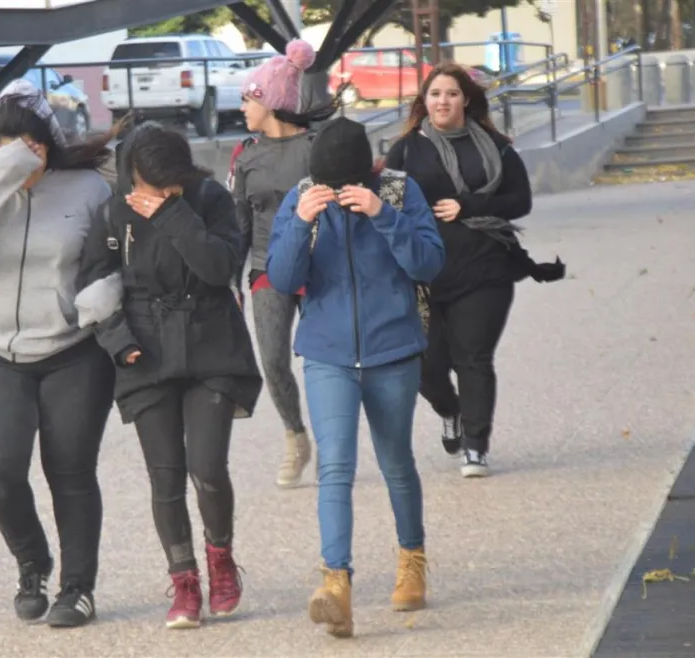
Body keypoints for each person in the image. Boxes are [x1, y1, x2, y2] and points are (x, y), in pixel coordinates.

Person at [0, 79, 125, 628]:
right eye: (7, 142)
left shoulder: (88, 187)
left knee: (70, 470)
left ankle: (78, 588)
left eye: (32, 142)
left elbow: (111, 263)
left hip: (73, 351)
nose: (23, 152)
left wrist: (99, 303)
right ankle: (32, 561)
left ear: (50, 140)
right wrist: (2, 174)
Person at [267, 117, 445, 638]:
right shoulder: (302, 197)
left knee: (396, 463)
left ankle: (412, 558)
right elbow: (281, 279)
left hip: (393, 349)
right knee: (335, 466)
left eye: (351, 183)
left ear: (369, 170)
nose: (342, 191)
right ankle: (336, 585)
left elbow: (429, 263)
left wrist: (384, 215)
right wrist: (300, 223)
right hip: (328, 353)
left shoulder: (398, 190)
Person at [81, 122, 263, 630]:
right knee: (164, 476)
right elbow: (92, 286)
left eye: (168, 184)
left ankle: (221, 558)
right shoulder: (113, 211)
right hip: (145, 353)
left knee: (207, 467)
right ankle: (184, 581)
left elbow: (218, 266)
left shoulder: (207, 199)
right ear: (129, 174)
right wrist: (120, 342)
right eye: (147, 185)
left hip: (212, 347)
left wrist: (174, 213)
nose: (157, 193)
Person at [385, 62, 564, 478]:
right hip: (424, 273)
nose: (442, 101)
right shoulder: (407, 149)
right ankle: (451, 411)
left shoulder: (496, 147)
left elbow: (520, 201)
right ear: (424, 101)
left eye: (450, 93)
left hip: (486, 268)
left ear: (466, 99)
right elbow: (389, 206)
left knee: (474, 357)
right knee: (425, 366)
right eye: (434, 94)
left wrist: (472, 206)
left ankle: (476, 446)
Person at [229, 39, 338, 489]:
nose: (241, 107)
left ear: (269, 101)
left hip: (319, 266)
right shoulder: (245, 154)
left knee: (325, 359)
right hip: (265, 268)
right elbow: (236, 222)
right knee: (272, 358)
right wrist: (229, 283)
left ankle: (333, 443)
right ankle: (295, 435)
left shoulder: (318, 148)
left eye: (247, 98)